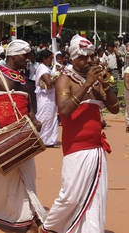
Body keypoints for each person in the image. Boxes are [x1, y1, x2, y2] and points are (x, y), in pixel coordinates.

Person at [39, 34, 119, 232]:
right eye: (84, 57)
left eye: (92, 56)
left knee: (97, 197)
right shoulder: (64, 80)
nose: (89, 61)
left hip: (96, 149)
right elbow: (64, 111)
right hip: (76, 147)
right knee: (70, 196)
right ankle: (48, 227)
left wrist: (106, 85)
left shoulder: (96, 80)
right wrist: (86, 84)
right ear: (73, 57)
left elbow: (115, 109)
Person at [0, 40, 46, 232]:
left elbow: (29, 109)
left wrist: (35, 121)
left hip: (23, 136)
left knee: (27, 175)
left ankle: (27, 215)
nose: (28, 60)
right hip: (1, 135)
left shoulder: (24, 80)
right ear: (14, 56)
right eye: (25, 56)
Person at [34, 49, 59, 148]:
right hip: (45, 97)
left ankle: (48, 140)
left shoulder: (44, 67)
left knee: (50, 117)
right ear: (44, 58)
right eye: (50, 58)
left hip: (49, 97)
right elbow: (48, 83)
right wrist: (57, 78)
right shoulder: (43, 68)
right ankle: (41, 139)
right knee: (44, 116)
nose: (51, 60)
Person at [124, 66, 129, 133]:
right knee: (128, 107)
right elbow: (126, 81)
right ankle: (128, 124)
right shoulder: (128, 69)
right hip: (128, 91)